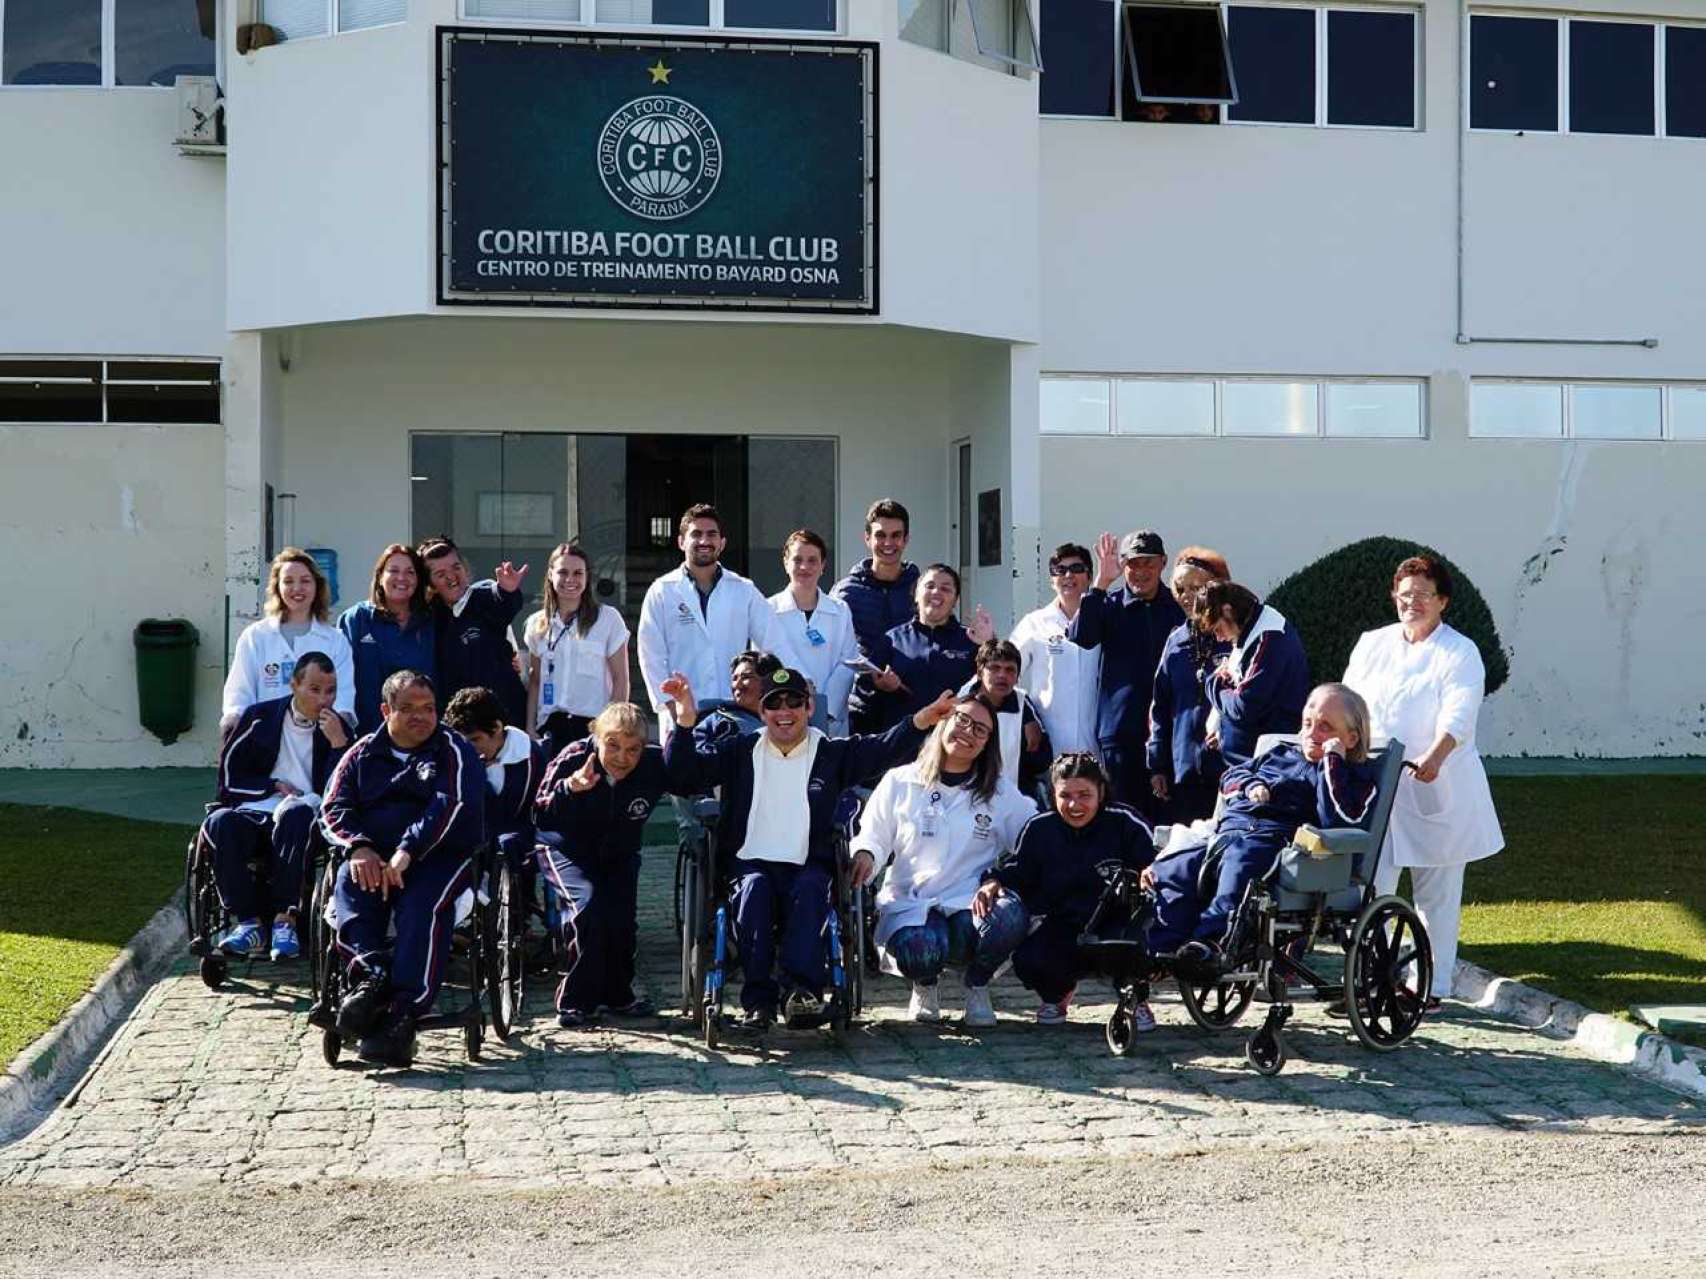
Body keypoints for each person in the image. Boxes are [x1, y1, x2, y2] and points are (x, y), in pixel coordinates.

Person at [662, 666, 956, 1030]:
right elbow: (682, 774)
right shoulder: (740, 750)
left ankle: (801, 994)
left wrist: (923, 719)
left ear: (808, 708)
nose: (784, 712)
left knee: (812, 889)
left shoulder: (830, 753)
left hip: (808, 865)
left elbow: (884, 749)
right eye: (774, 705)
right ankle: (759, 1002)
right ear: (762, 712)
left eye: (794, 703)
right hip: (751, 863)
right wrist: (686, 722)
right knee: (754, 891)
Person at [1344, 555, 1504, 1008]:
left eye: (1423, 595)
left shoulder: (1460, 652)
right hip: (1381, 787)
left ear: (1443, 602)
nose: (1412, 602)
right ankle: (1369, 980)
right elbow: (1349, 700)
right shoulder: (1372, 643)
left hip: (1438, 785)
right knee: (1372, 888)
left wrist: (1435, 756)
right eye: (1405, 594)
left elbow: (1459, 711)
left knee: (1436, 897)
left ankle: (1429, 987)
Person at [1146, 683, 1381, 961]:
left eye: (1325, 727)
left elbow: (1338, 817)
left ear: (1351, 739)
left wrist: (1332, 761)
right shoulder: (1279, 754)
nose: (1312, 734)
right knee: (1177, 868)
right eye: (1308, 724)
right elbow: (1230, 777)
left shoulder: (1355, 778)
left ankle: (1210, 943)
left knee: (1239, 866)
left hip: (1273, 840)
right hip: (1229, 832)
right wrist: (1251, 784)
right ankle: (1161, 949)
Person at [322, 670, 486, 1067]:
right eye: (408, 708)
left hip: (438, 856)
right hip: (374, 855)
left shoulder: (453, 750)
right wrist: (359, 847)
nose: (422, 717)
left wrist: (407, 851)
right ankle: (369, 978)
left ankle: (402, 1011)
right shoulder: (360, 754)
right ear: (385, 710)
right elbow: (333, 807)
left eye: (429, 708)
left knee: (421, 908)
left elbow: (450, 805)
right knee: (350, 885)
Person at [849, 693, 1038, 1027]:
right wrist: (866, 855)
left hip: (971, 900)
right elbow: (873, 835)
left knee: (1009, 918)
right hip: (913, 900)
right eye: (962, 720)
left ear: (988, 744)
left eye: (980, 730)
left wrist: (1001, 877)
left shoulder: (999, 791)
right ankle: (925, 986)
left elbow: (1035, 838)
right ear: (944, 722)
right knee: (921, 950)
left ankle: (978, 985)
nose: (967, 732)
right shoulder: (900, 780)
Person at [971, 754, 1156, 1027]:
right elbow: (1018, 871)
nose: (1075, 805)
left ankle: (1134, 999)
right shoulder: (1039, 829)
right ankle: (1057, 993)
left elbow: (1154, 859)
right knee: (1030, 959)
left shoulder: (1124, 821)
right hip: (1064, 924)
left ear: (1100, 792)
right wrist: (993, 881)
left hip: (1118, 921)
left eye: (1085, 795)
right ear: (1052, 794)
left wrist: (1150, 870)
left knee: (1133, 949)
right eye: (1065, 795)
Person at [203, 651, 350, 962]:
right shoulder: (259, 718)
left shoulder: (338, 730)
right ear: (293, 685)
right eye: (314, 689)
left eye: (330, 691)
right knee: (220, 823)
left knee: (297, 815)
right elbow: (229, 778)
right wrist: (270, 786)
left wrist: (338, 744)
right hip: (257, 808)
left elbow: (343, 790)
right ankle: (248, 923)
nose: (324, 699)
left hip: (305, 813)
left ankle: (286, 920)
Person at [534, 702, 668, 1027]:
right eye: (613, 745)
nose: (622, 757)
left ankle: (618, 996)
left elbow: (690, 773)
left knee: (621, 921)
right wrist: (570, 788)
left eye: (633, 749)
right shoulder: (574, 756)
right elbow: (538, 811)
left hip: (618, 852)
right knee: (589, 909)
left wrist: (686, 725)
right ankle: (575, 1000)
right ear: (597, 737)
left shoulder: (652, 764)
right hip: (566, 848)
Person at [1070, 529, 1185, 813]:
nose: (1141, 571)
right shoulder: (1108, 604)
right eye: (1133, 563)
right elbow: (1081, 636)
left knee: (1169, 821)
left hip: (1171, 734)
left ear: (1163, 563)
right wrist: (1100, 584)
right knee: (1124, 818)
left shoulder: (1177, 608)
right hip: (1120, 733)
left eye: (1149, 562)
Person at [636, 504, 775, 730]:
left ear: (722, 543)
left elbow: (772, 643)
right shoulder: (662, 591)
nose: (704, 541)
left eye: (711, 534)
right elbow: (650, 655)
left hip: (735, 712)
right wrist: (672, 707)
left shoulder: (744, 589)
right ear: (681, 542)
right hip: (683, 712)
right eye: (696, 534)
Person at [221, 547, 354, 735]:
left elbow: (344, 699)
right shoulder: (255, 637)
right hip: (265, 742)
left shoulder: (336, 641)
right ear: (277, 587)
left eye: (305, 581)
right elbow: (239, 693)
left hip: (317, 742)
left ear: (317, 586)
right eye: (288, 581)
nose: (297, 588)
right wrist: (233, 723)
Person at [849, 563, 993, 734]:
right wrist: (882, 687)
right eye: (929, 586)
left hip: (955, 740)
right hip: (903, 742)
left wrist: (989, 643)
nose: (936, 592)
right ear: (916, 594)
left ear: (955, 600)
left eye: (945, 589)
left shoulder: (971, 640)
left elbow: (997, 682)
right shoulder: (892, 639)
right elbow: (863, 694)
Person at [1147, 547, 1232, 824]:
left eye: (1197, 587)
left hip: (1228, 764)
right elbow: (1160, 705)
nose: (1187, 596)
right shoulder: (1176, 640)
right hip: (1183, 766)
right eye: (1180, 588)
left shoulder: (1235, 637)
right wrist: (1157, 764)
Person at [523, 543, 630, 761]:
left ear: (587, 577)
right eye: (562, 572)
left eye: (578, 573)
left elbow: (621, 680)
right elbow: (535, 681)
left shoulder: (608, 619)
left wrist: (612, 729)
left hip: (593, 728)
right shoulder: (536, 624)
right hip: (550, 728)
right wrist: (530, 728)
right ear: (551, 575)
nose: (570, 579)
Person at [1195, 581, 1309, 767]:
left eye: (1218, 629)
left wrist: (1213, 683)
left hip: (1265, 764)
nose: (1219, 638)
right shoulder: (1249, 634)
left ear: (1227, 611)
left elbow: (1244, 707)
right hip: (1246, 761)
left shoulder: (1269, 639)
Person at [418, 536, 530, 728]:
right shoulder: (430, 618)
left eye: (456, 567)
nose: (451, 576)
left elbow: (503, 604)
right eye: (440, 573)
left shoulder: (482, 596)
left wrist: (508, 590)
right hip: (458, 723)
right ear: (430, 585)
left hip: (504, 720)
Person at [831, 499, 921, 732]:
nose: (888, 543)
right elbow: (832, 647)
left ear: (906, 539)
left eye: (896, 535)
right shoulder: (846, 592)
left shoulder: (923, 589)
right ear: (867, 538)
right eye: (880, 535)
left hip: (913, 706)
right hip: (861, 709)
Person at [441, 686, 547, 874]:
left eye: (475, 739)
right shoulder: (457, 758)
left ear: (497, 728)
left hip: (517, 844)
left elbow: (539, 816)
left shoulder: (533, 758)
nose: (469, 748)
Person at [1010, 541, 1100, 756]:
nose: (1068, 575)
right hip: (1048, 742)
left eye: (1077, 569)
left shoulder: (1105, 619)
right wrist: (1028, 718)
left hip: (1097, 743)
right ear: (1052, 580)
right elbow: (1007, 671)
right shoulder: (1034, 622)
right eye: (1060, 570)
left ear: (1089, 577)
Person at [338, 544, 436, 735]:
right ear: (380, 576)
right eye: (393, 570)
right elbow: (339, 678)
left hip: (423, 736)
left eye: (410, 572)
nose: (402, 578)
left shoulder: (431, 621)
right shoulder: (357, 619)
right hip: (368, 735)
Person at [767, 529, 858, 731]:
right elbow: (765, 667)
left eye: (812, 560)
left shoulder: (840, 610)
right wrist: (796, 705)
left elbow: (848, 663)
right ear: (785, 563)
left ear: (823, 565)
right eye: (797, 559)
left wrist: (824, 708)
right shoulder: (767, 611)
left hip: (831, 721)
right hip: (784, 717)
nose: (804, 567)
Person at [967, 639, 1052, 795]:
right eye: (995, 668)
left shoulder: (1023, 705)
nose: (1002, 675)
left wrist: (1034, 743)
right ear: (980, 672)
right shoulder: (960, 702)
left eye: (1010, 670)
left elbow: (1042, 760)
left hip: (1011, 796)